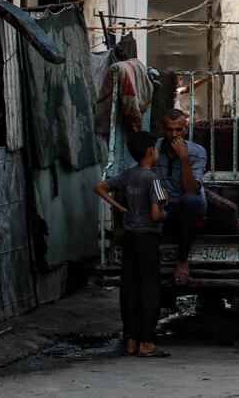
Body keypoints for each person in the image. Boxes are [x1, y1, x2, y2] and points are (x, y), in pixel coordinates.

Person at [93, 131, 169, 358]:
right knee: (149, 287)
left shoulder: (128, 175)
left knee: (130, 287)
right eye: (155, 148)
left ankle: (131, 339)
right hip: (148, 237)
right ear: (150, 151)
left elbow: (99, 187)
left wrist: (119, 207)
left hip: (130, 236)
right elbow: (156, 214)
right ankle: (147, 341)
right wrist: (166, 210)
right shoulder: (153, 179)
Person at [154, 109, 208, 285]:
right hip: (163, 208)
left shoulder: (197, 152)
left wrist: (183, 158)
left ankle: (182, 261)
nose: (173, 135)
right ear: (163, 130)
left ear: (185, 130)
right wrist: (157, 189)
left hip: (188, 210)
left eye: (178, 130)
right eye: (169, 130)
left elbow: (191, 189)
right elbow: (141, 175)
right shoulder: (153, 148)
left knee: (190, 200)